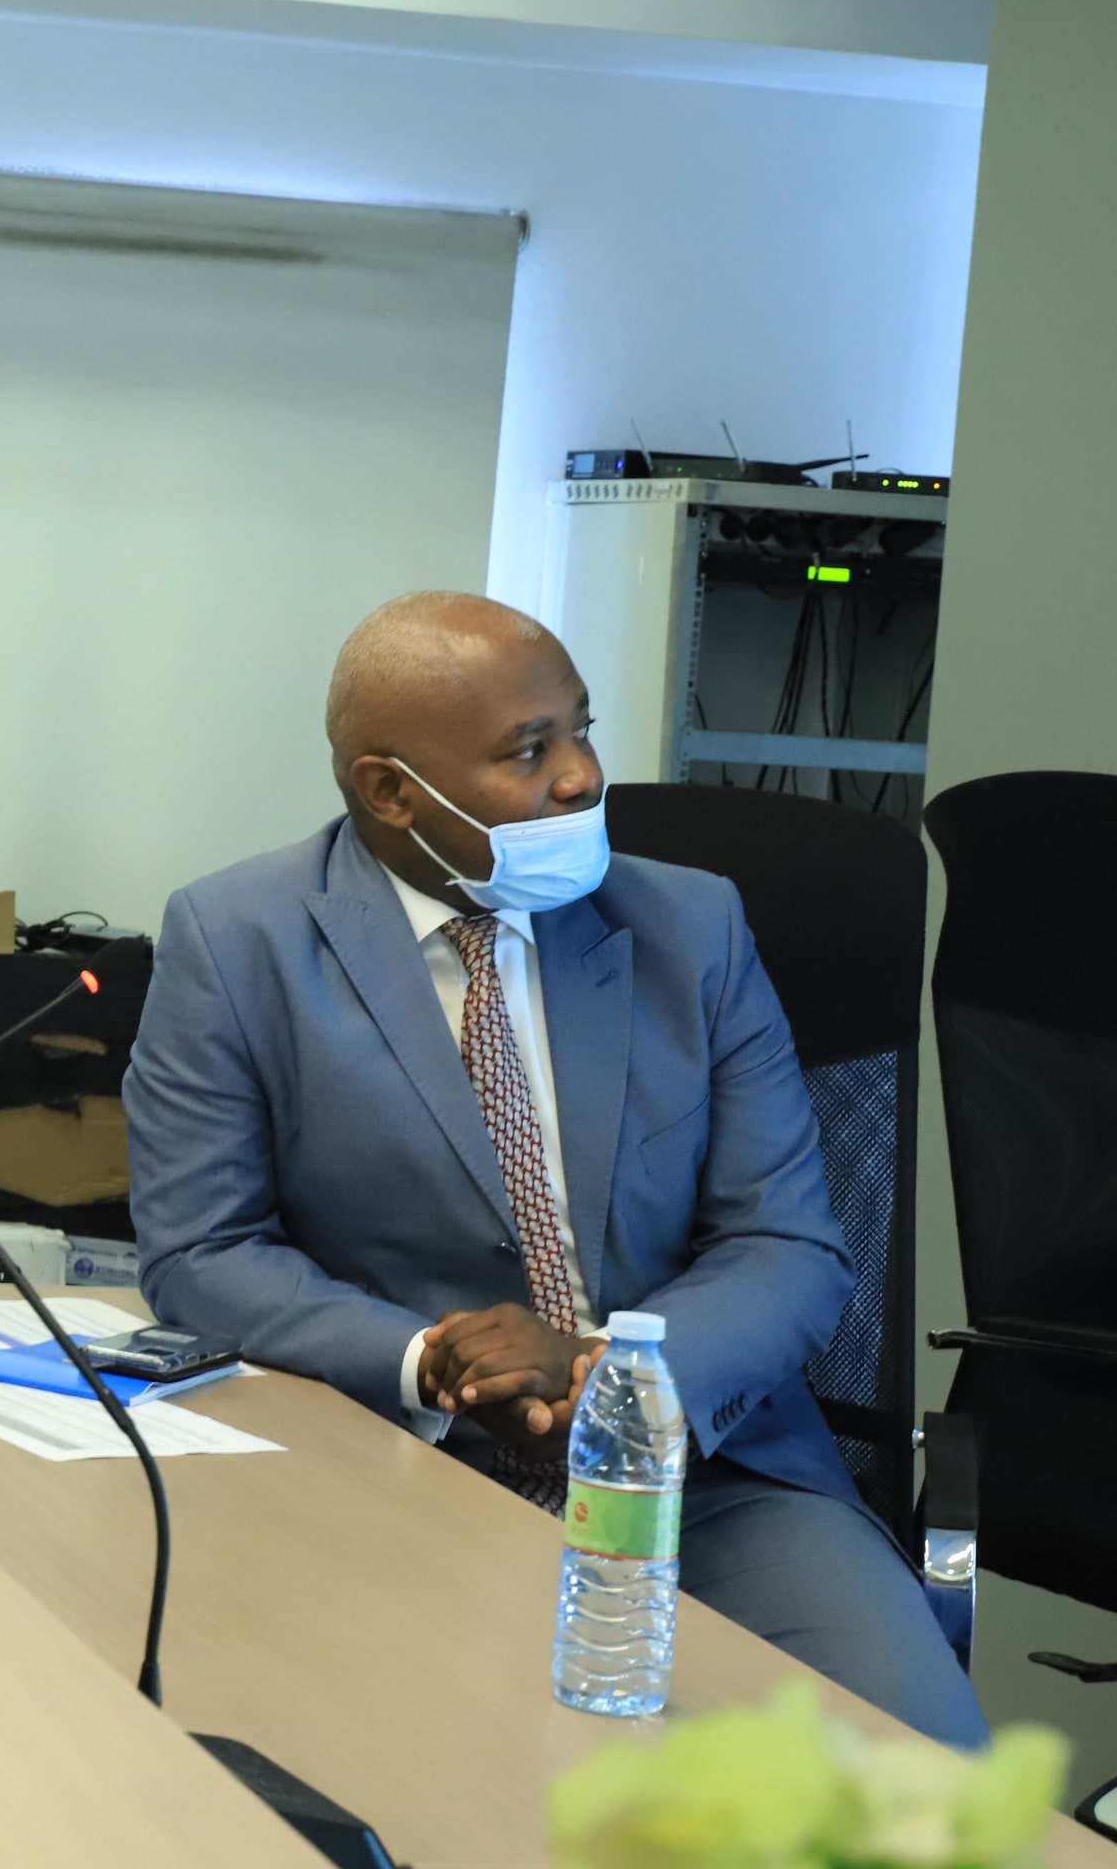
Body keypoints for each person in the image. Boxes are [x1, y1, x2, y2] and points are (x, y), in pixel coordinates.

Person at [123, 590, 986, 1746]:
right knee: (396, 1773)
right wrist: (431, 1360)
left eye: (581, 729)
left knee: (928, 1775)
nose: (583, 776)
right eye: (530, 750)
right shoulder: (239, 940)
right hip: (393, 1464)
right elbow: (202, 1249)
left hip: (705, 1480)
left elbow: (786, 1241)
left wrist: (609, 1381)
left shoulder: (693, 926)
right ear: (390, 790)